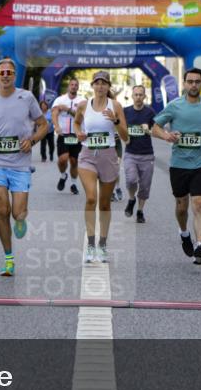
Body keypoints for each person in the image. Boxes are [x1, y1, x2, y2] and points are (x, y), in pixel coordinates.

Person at [0, 58, 47, 277]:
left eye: (9, 72)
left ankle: (21, 218)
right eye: (2, 72)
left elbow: (44, 125)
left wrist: (32, 140)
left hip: (20, 164)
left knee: (18, 214)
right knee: (3, 210)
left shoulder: (27, 97)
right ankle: (8, 259)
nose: (5, 75)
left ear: (14, 76)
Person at [152, 67, 201, 265]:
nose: (194, 85)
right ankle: (184, 233)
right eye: (190, 81)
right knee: (182, 207)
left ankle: (199, 246)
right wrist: (167, 136)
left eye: (197, 82)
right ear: (184, 83)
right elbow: (155, 127)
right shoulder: (174, 106)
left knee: (199, 205)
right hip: (179, 165)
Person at [74, 71, 129, 264]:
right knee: (91, 198)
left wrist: (115, 120)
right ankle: (90, 245)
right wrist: (79, 132)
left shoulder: (115, 106)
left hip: (108, 156)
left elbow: (125, 136)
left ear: (108, 86)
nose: (100, 87)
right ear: (92, 86)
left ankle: (102, 245)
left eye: (104, 83)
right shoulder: (83, 105)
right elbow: (76, 122)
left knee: (105, 204)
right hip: (87, 156)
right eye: (97, 83)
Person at [123, 84, 156, 223]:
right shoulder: (125, 111)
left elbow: (156, 131)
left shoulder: (150, 112)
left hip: (147, 154)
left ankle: (140, 211)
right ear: (132, 96)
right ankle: (131, 199)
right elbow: (119, 127)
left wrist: (148, 130)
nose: (138, 97)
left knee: (144, 185)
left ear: (144, 96)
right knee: (131, 180)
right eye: (136, 94)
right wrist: (125, 137)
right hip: (130, 153)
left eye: (140, 94)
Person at [51, 77, 86, 195]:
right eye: (72, 84)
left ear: (78, 87)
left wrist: (67, 109)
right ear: (68, 86)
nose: (74, 86)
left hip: (77, 134)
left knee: (74, 161)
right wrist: (56, 126)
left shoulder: (82, 101)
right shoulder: (60, 99)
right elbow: (54, 113)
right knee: (62, 159)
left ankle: (74, 184)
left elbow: (81, 115)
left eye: (76, 85)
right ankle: (63, 175)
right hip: (63, 134)